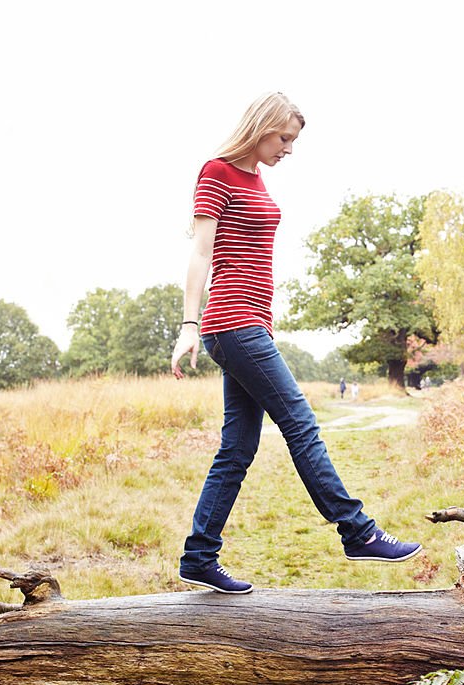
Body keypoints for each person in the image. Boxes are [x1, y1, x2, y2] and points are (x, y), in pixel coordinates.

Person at [170, 92, 422, 594]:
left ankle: (199, 557)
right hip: (231, 321)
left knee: (237, 448)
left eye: (294, 141)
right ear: (261, 126)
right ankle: (357, 530)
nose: (289, 148)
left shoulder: (258, 179)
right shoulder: (216, 171)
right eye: (284, 137)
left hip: (252, 324)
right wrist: (188, 325)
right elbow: (200, 252)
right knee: (300, 421)